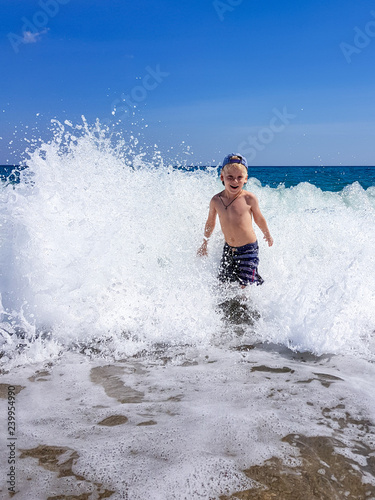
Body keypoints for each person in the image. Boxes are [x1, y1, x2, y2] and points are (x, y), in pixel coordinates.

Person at [197, 153, 273, 287]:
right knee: (224, 281)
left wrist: (267, 234)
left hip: (249, 249)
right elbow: (210, 223)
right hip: (229, 249)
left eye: (239, 177)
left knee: (245, 284)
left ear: (246, 179)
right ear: (222, 177)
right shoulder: (216, 200)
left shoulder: (249, 198)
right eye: (230, 177)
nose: (235, 181)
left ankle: (247, 303)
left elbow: (259, 218)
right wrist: (204, 243)